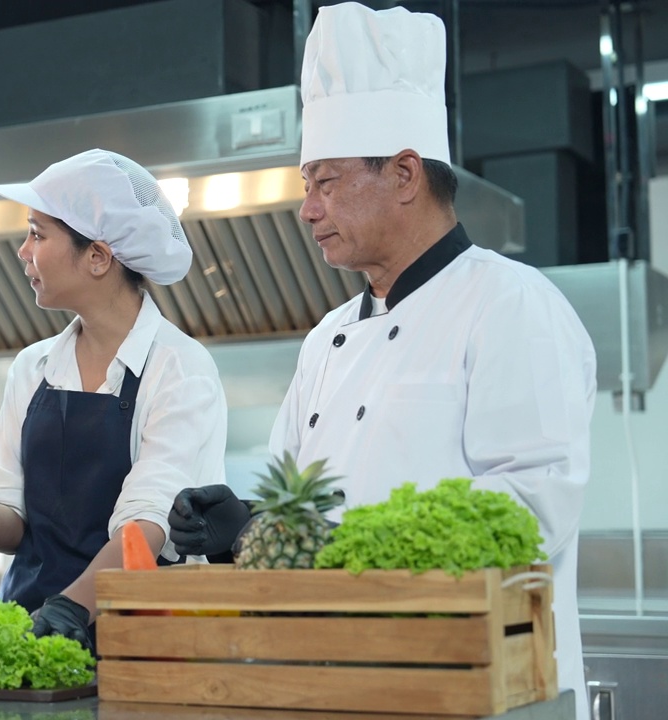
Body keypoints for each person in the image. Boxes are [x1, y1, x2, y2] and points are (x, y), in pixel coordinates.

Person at [166, 4, 595, 718]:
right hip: (344, 688)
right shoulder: (327, 338)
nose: (306, 209)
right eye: (307, 185)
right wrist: (241, 528)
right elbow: (293, 512)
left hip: (477, 692)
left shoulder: (513, 306)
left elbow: (525, 517)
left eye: (324, 182)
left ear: (402, 174)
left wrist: (306, 541)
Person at [0, 148, 228, 651]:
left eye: (37, 233)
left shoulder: (179, 369)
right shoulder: (33, 367)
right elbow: (12, 527)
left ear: (97, 257)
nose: (22, 251)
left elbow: (146, 525)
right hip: (33, 631)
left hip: (137, 641)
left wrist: (72, 606)